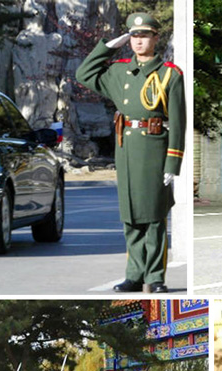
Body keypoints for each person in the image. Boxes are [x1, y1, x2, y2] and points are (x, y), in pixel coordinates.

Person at [75, 12, 186, 294]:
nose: (138, 41)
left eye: (144, 35)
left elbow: (178, 120)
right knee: (131, 217)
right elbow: (83, 74)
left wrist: (173, 162)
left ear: (155, 38)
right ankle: (134, 275)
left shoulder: (169, 74)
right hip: (125, 149)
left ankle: (155, 277)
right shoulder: (119, 71)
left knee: (153, 216)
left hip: (154, 147)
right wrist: (110, 45)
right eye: (134, 36)